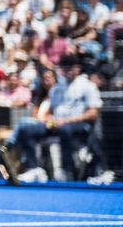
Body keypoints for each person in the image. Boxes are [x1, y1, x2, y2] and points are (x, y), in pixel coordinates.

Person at [11, 54, 102, 182]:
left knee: (65, 129)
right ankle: (34, 169)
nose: (66, 71)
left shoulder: (88, 86)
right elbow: (48, 112)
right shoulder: (56, 88)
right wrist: (49, 120)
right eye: (63, 67)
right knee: (27, 129)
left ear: (77, 68)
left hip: (81, 126)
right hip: (57, 125)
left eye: (69, 67)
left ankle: (67, 170)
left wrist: (65, 121)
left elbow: (93, 113)